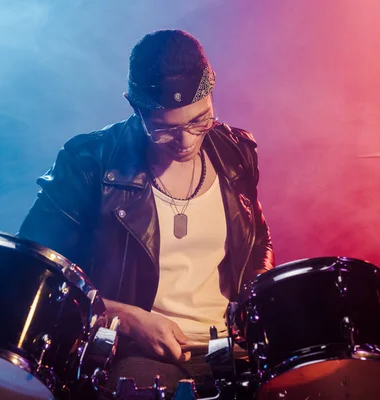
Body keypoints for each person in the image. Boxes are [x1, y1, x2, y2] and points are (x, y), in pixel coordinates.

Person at [17, 29, 275, 395]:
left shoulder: (237, 152)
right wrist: (126, 318)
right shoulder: (88, 163)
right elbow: (32, 276)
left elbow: (259, 239)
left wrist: (254, 304)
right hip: (134, 354)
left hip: (231, 347)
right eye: (164, 129)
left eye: (200, 120)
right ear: (134, 107)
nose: (186, 141)